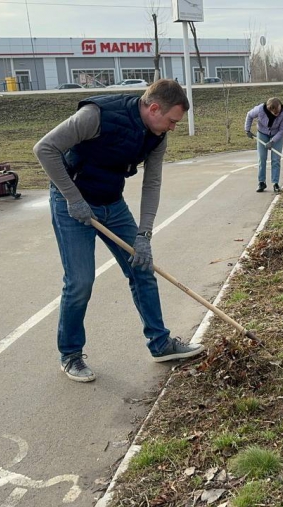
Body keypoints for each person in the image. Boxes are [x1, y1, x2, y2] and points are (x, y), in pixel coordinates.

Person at [33, 79, 204, 383]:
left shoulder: (156, 136)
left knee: (142, 267)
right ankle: (70, 355)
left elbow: (152, 184)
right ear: (154, 108)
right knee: (80, 281)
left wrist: (145, 235)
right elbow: (44, 148)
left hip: (112, 203)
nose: (173, 128)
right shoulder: (96, 116)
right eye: (172, 121)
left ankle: (160, 344)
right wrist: (74, 199)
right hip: (71, 202)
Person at [245, 98, 283, 193]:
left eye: (279, 111)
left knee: (276, 159)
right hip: (262, 133)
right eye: (275, 113)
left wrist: (272, 141)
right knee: (262, 158)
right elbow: (249, 115)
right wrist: (247, 130)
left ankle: (275, 183)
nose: (278, 113)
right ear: (270, 110)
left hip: (277, 135)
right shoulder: (260, 109)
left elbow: (282, 130)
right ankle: (261, 182)